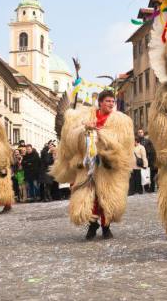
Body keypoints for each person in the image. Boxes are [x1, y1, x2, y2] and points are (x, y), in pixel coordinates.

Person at [51, 89, 134, 241]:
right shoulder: (85, 116)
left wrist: (100, 134)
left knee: (107, 196)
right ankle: (92, 225)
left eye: (112, 101)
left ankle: (106, 226)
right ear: (100, 103)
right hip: (88, 164)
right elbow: (71, 137)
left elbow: (123, 142)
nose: (111, 103)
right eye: (107, 101)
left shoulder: (121, 121)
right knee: (90, 196)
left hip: (108, 165)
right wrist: (85, 130)